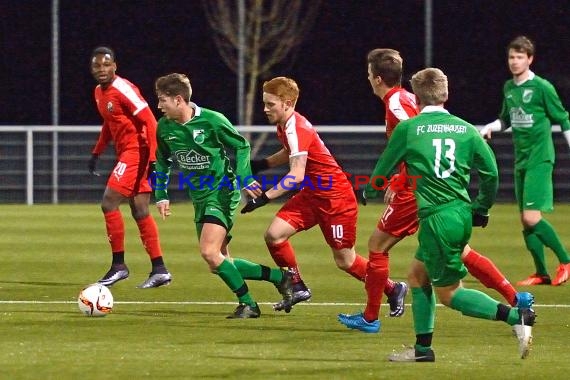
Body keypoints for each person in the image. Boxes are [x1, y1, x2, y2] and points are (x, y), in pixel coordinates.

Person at [339, 48, 526, 333]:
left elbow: (418, 140)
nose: (366, 78)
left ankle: (370, 317)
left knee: (378, 247)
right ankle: (516, 299)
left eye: (367, 73)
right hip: (447, 201)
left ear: (377, 78)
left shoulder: (397, 105)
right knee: (454, 253)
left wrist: (396, 183)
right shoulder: (405, 101)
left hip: (421, 191)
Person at [242, 76, 407, 316]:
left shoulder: (295, 127)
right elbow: (291, 152)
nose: (265, 109)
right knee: (274, 235)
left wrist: (264, 198)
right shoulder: (286, 124)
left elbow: (296, 175)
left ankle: (393, 289)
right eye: (265, 103)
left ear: (287, 103)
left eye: (270, 104)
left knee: (345, 260)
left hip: (335, 199)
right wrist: (261, 164)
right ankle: (297, 286)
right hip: (313, 194)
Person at [153, 73, 292, 319]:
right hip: (199, 197)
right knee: (218, 262)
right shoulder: (164, 127)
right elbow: (162, 161)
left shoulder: (212, 121)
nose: (159, 105)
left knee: (208, 251)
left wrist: (245, 177)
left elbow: (241, 145)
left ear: (178, 99)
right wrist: (161, 194)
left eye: (162, 100)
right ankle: (281, 277)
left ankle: (249, 304)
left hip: (222, 192)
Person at [481, 35, 570, 286]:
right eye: (511, 57)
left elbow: (563, 118)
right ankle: (541, 273)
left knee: (532, 217)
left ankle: (566, 260)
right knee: (525, 219)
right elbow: (506, 119)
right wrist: (491, 126)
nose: (515, 61)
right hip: (521, 160)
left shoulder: (542, 87)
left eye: (520, 57)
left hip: (540, 158)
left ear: (530, 59)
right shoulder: (509, 88)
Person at [88, 46, 172, 289]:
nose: (102, 69)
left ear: (115, 66)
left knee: (108, 202)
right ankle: (160, 269)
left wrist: (156, 159)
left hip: (138, 152)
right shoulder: (99, 92)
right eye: (97, 66)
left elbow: (150, 120)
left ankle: (118, 266)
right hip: (127, 152)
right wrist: (97, 152)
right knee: (140, 209)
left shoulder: (123, 88)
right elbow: (109, 124)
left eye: (106, 64)